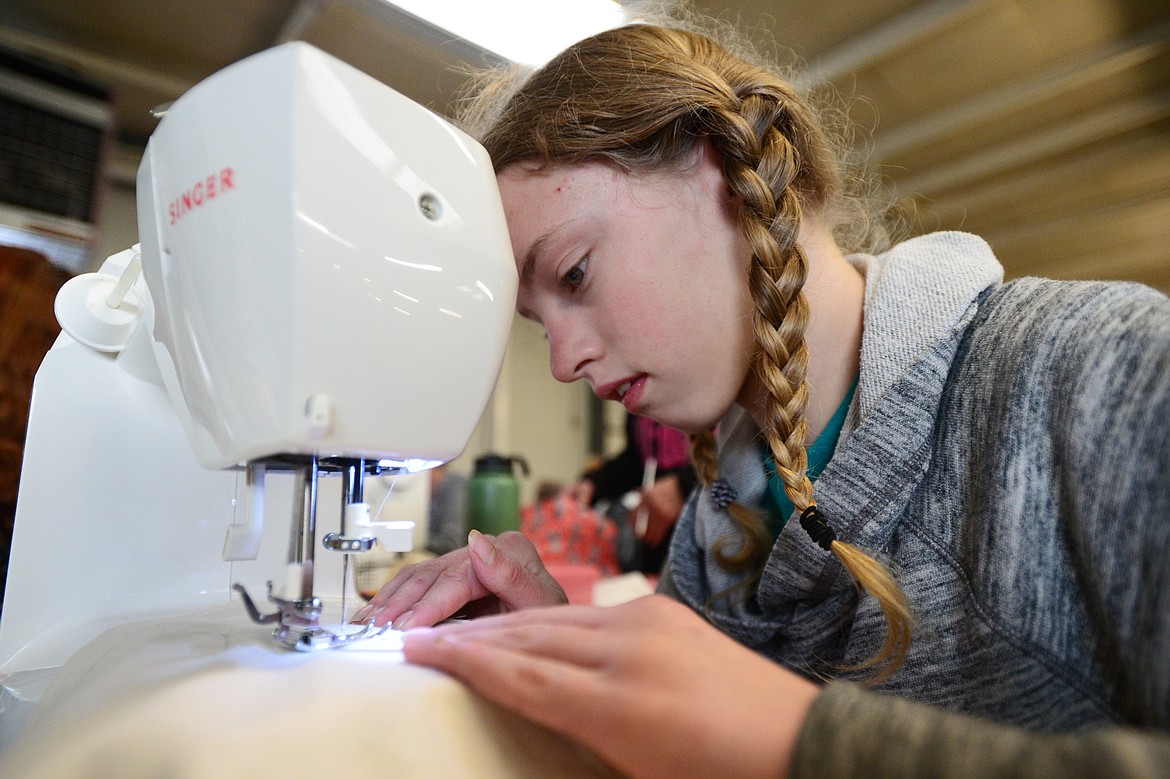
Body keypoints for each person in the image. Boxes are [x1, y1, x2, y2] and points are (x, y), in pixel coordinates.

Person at [352, 12, 1170, 779]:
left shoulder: (1102, 370)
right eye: (538, 325)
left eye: (574, 273)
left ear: (727, 174)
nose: (564, 362)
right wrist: (563, 643)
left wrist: (798, 741)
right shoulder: (716, 533)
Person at [573, 412, 697, 572]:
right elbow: (635, 461)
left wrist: (685, 485)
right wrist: (594, 483)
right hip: (657, 543)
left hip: (712, 535)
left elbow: (733, 456)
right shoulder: (641, 400)